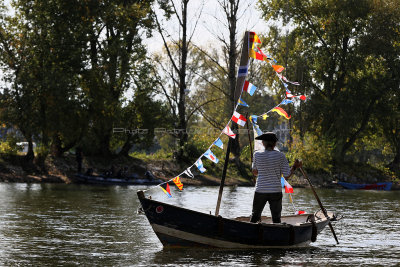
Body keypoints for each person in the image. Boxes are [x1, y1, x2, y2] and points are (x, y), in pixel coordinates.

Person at [250, 132, 301, 224]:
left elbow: (255, 172)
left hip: (260, 189)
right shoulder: (280, 155)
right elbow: (287, 175)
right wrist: (294, 167)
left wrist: (262, 168)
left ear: (263, 143)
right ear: (274, 144)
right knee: (276, 219)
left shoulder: (256, 154)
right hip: (275, 191)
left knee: (255, 217)